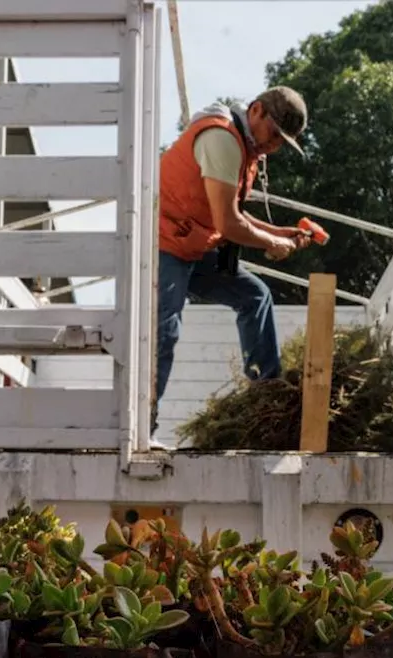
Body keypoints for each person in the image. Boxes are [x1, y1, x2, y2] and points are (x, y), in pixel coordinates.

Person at [152, 86, 313, 449]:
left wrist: (282, 232)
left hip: (197, 247)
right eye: (274, 135)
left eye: (282, 143)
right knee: (164, 331)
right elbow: (228, 223)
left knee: (254, 295)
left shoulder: (247, 149)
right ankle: (144, 426)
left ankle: (266, 397)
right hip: (163, 244)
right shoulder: (221, 139)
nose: (274, 146)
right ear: (256, 111)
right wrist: (272, 243)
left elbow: (233, 216)